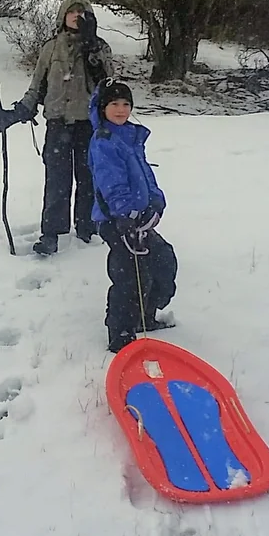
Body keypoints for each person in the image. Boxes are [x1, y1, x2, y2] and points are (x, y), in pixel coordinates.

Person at [0, 0, 114, 255]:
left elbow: (108, 85)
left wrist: (92, 47)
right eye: (72, 11)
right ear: (63, 15)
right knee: (57, 181)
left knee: (89, 179)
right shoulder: (50, 48)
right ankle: (51, 234)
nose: (77, 16)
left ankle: (87, 229)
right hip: (58, 124)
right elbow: (36, 88)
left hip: (89, 125)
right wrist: (16, 113)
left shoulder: (100, 47)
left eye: (82, 12)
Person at [87, 77, 178, 353]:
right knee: (129, 276)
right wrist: (125, 214)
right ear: (103, 107)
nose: (120, 109)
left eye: (126, 104)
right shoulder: (104, 141)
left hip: (141, 219)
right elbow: (111, 182)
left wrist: (156, 202)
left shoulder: (130, 136)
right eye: (114, 103)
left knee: (162, 262)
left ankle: (144, 317)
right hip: (118, 221)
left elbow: (145, 177)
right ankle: (121, 335)